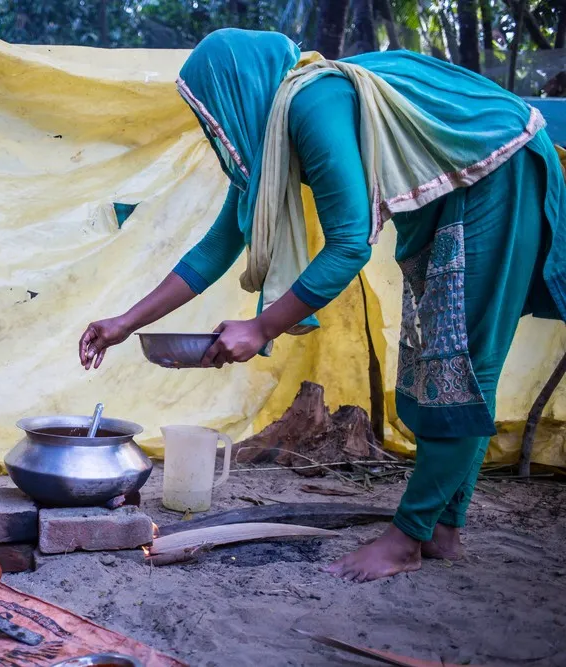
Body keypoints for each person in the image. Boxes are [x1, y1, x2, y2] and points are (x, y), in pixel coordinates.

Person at [78, 28, 566, 582]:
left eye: (211, 111)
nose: (213, 128)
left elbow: (351, 241)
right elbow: (217, 246)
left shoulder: (313, 100)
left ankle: (407, 538)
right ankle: (442, 529)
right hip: (458, 190)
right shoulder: (272, 142)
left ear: (241, 90)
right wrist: (123, 323)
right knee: (441, 365)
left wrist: (263, 327)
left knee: (459, 366)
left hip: (497, 170)